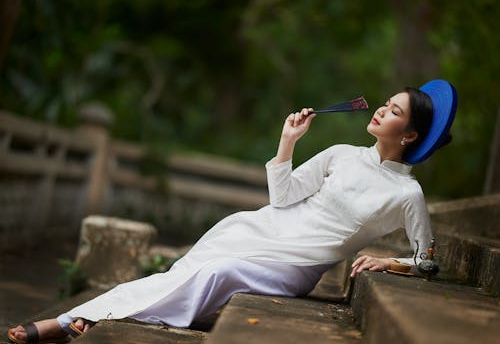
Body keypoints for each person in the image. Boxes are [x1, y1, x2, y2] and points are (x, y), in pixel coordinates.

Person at [7, 79, 457, 343]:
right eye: (385, 103)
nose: (381, 109)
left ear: (411, 135)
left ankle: (62, 322)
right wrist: (288, 142)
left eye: (394, 110)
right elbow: (283, 198)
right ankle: (83, 319)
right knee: (182, 274)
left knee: (214, 273)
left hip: (294, 264)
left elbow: (428, 259)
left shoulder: (406, 196)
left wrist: (388, 261)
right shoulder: (342, 153)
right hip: (261, 229)